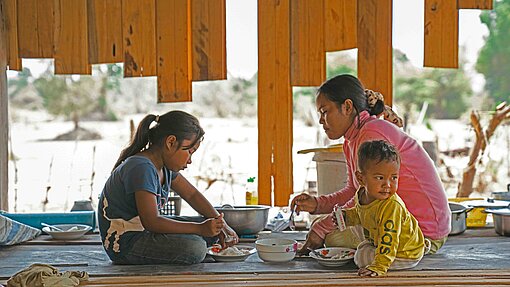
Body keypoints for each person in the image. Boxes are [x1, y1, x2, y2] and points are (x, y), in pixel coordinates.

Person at [291, 74, 450, 255]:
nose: (321, 120)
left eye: (325, 111)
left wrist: (323, 226)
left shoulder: (372, 132)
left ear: (347, 107)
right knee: (326, 229)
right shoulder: (352, 140)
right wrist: (317, 205)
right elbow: (354, 191)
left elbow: (370, 196)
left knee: (331, 237)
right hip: (401, 223)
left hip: (422, 234)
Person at [98, 110, 239, 265]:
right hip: (126, 244)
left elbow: (192, 195)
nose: (190, 160)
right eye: (189, 151)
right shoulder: (141, 167)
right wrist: (199, 229)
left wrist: (220, 223)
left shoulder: (164, 167)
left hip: (145, 232)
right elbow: (152, 222)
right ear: (171, 142)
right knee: (195, 247)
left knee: (213, 228)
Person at [334, 140, 427, 276]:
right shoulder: (361, 195)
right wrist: (346, 217)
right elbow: (361, 214)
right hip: (381, 241)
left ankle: (418, 249)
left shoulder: (391, 206)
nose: (387, 185)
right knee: (360, 246)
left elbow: (389, 239)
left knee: (360, 258)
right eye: (379, 177)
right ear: (361, 179)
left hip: (404, 253)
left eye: (394, 178)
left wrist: (379, 266)